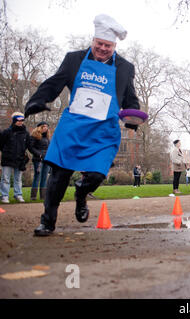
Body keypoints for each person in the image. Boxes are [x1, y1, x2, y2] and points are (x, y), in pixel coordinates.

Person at [25, 15, 139, 236]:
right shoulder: (74, 59)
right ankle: (47, 222)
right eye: (99, 44)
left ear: (114, 46)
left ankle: (81, 193)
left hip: (103, 132)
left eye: (108, 45)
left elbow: (129, 98)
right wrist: (37, 100)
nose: (103, 49)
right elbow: (54, 83)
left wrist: (134, 117)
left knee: (96, 175)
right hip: (73, 128)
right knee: (58, 177)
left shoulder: (125, 67)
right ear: (93, 41)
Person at [0, 112, 37, 203]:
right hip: (8, 158)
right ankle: (4, 195)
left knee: (18, 179)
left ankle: (18, 194)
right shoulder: (6, 132)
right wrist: (6, 152)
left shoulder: (26, 133)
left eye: (22, 121)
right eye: (18, 120)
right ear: (14, 121)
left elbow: (29, 146)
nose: (20, 122)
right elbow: (1, 144)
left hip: (20, 159)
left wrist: (38, 154)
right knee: (5, 178)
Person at [30, 121, 51, 200]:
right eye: (44, 126)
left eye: (46, 126)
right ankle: (33, 196)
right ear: (39, 127)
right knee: (37, 176)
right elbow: (31, 147)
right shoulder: (34, 136)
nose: (46, 128)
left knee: (44, 177)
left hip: (46, 159)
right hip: (38, 159)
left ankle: (43, 196)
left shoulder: (47, 138)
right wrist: (38, 154)